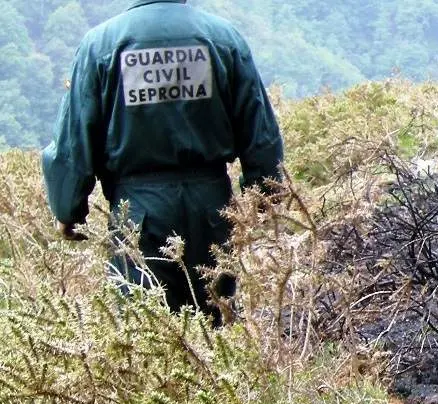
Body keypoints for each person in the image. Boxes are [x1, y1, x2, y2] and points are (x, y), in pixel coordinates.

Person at [41, 0, 284, 323]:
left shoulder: (100, 45)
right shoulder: (223, 39)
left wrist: (68, 210)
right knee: (217, 329)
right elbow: (260, 134)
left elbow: (74, 143)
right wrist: (265, 199)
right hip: (212, 209)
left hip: (139, 212)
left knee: (146, 333)